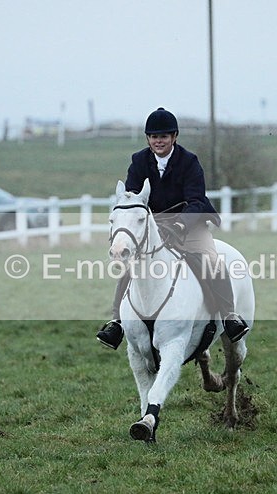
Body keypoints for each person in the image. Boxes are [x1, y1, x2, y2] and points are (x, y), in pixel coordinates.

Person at [96, 107, 249, 349]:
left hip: (189, 224)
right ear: (148, 139)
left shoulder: (189, 161)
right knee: (130, 264)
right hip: (153, 226)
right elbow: (132, 199)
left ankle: (230, 316)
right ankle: (116, 322)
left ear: (174, 137)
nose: (159, 141)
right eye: (154, 137)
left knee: (211, 260)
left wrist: (180, 222)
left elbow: (197, 200)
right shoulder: (139, 161)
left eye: (164, 136)